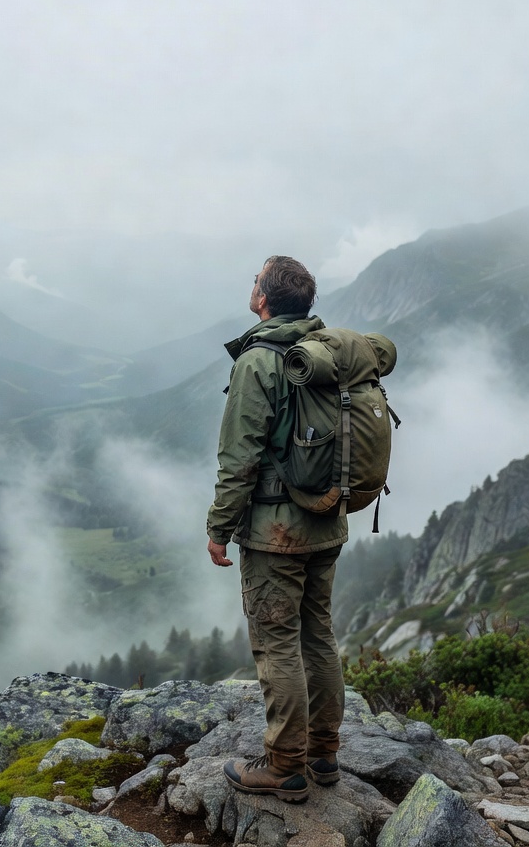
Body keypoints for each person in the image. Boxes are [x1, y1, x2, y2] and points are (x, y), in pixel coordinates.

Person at [206, 255, 346, 804]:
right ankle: (325, 753)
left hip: (275, 531)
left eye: (254, 280)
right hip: (326, 520)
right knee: (319, 634)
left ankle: (284, 765)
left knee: (275, 641)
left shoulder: (259, 360)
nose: (251, 287)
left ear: (263, 298)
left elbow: (239, 456)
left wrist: (219, 526)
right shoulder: (325, 351)